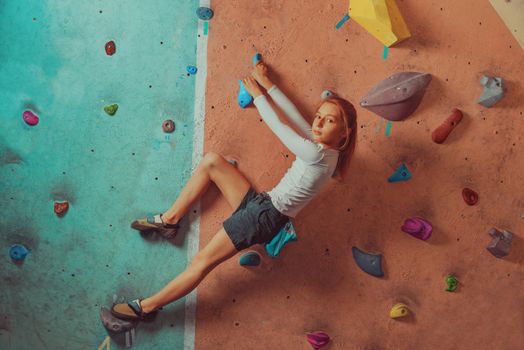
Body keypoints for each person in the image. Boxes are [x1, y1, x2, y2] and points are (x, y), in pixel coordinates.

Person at [110, 60, 358, 320]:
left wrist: (258, 96)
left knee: (201, 262)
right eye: (319, 116)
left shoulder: (316, 153)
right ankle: (170, 221)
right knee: (213, 162)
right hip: (263, 205)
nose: (318, 123)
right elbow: (295, 115)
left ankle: (145, 308)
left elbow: (280, 127)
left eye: (328, 120)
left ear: (344, 133)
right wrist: (267, 82)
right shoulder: (330, 152)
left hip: (264, 218)